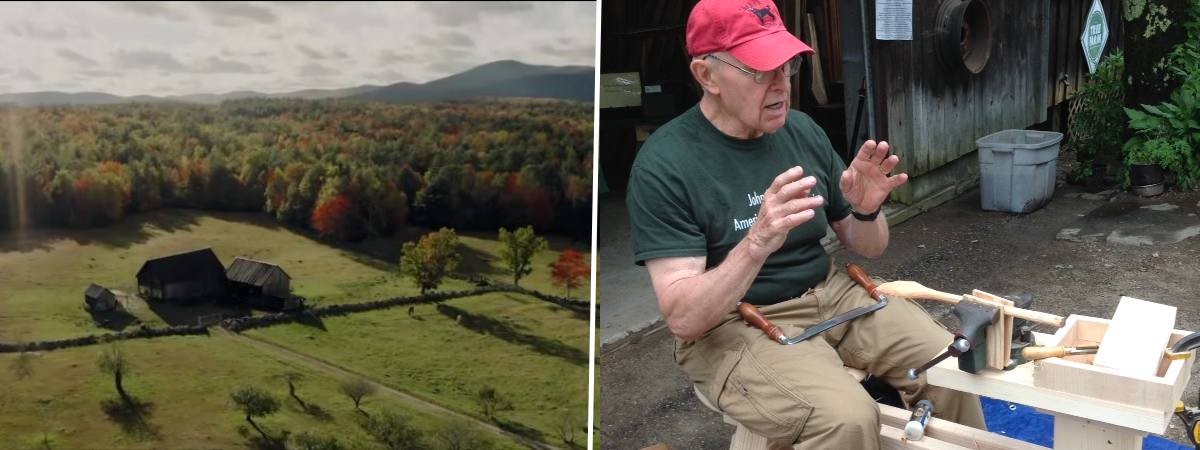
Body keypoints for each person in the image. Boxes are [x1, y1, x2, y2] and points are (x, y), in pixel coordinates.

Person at [625, 0, 987, 448]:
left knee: (950, 367)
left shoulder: (801, 131)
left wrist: (867, 210)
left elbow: (866, 246)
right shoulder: (665, 164)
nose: (780, 85)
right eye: (760, 71)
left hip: (832, 295)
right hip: (732, 323)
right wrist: (757, 241)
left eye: (787, 65)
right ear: (707, 76)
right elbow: (684, 319)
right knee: (847, 419)